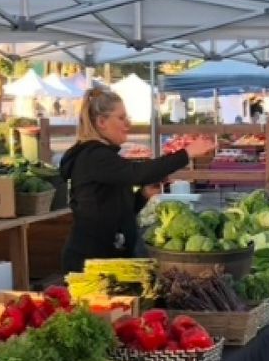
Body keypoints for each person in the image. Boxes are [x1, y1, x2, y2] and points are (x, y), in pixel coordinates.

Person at [59, 87, 212, 272]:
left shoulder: (104, 157)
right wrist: (186, 153)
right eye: (121, 118)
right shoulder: (93, 156)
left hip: (108, 258)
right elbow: (137, 173)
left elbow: (117, 210)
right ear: (101, 122)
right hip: (89, 262)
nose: (128, 124)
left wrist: (143, 195)